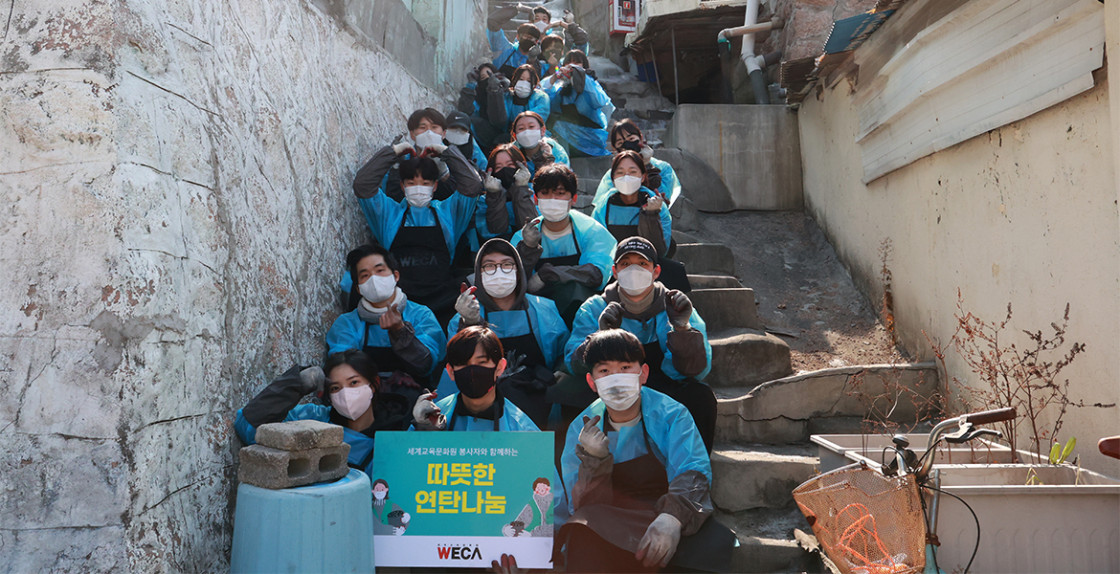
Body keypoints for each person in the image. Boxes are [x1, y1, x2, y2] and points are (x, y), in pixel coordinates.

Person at [556, 329, 733, 573]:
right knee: (581, 530)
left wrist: (672, 518)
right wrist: (594, 460)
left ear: (644, 374)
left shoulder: (672, 414)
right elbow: (583, 504)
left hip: (665, 512)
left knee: (708, 547)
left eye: (625, 367)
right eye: (605, 371)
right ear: (592, 382)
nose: (616, 379)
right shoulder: (582, 427)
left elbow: (693, 471)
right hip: (613, 520)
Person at [564, 237, 716, 452]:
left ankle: (692, 466)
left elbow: (697, 370)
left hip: (663, 386)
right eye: (626, 264)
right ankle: (591, 462)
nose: (633, 270)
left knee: (700, 396)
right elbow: (573, 363)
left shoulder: (676, 306)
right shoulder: (594, 307)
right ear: (615, 271)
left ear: (656, 271)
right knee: (568, 395)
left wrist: (682, 329)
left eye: (642, 263)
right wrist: (599, 336)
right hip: (611, 386)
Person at [351, 129, 483, 327]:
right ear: (402, 187)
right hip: (401, 302)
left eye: (425, 183)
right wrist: (392, 153)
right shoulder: (388, 214)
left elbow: (473, 185)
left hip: (444, 299)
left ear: (435, 186)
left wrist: (447, 152)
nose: (418, 188)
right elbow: (363, 185)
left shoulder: (449, 212)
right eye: (411, 183)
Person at [443, 238, 570, 428]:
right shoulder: (463, 317)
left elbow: (563, 351)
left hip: (538, 397)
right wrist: (469, 324)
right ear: (478, 274)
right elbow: (459, 365)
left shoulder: (543, 309)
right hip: (484, 404)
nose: (499, 272)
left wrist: (559, 373)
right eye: (489, 266)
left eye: (506, 265)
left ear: (518, 271)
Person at [234, 350, 413, 476]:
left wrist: (424, 427)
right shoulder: (313, 419)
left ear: (374, 384)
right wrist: (295, 384)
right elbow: (248, 426)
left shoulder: (397, 433)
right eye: (335, 388)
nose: (346, 394)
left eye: (353, 383)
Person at [328, 245, 446, 392]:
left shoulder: (421, 315)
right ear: (358, 288)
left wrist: (400, 332)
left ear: (395, 276)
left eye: (380, 270)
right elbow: (341, 368)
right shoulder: (347, 323)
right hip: (366, 397)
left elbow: (427, 366)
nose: (373, 279)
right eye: (365, 275)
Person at [510, 163, 616, 326]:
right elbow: (513, 281)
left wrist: (550, 274)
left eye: (560, 193)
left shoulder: (591, 231)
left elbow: (596, 274)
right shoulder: (523, 236)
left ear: (573, 198)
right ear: (536, 199)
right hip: (539, 312)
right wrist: (527, 249)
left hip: (581, 311)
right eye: (545, 193)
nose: (552, 199)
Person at [592, 150, 690, 292]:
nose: (626, 177)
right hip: (617, 265)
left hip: (647, 263)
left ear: (643, 176)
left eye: (632, 172)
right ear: (612, 178)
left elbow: (661, 250)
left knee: (675, 272)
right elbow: (598, 245)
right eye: (620, 173)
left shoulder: (655, 203)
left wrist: (651, 215)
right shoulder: (604, 206)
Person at [411, 326, 539, 432]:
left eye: (481, 362)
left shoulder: (522, 429)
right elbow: (410, 452)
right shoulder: (432, 419)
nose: (472, 371)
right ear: (451, 371)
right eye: (463, 364)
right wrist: (423, 429)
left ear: (500, 367)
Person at [593, 119, 682, 208]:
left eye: (631, 139)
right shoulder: (612, 175)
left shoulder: (663, 168)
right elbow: (603, 206)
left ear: (641, 138)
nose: (627, 144)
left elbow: (664, 201)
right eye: (620, 143)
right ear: (615, 149)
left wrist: (647, 166)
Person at [543, 50, 613, 157]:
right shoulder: (562, 86)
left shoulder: (590, 82)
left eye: (576, 62)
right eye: (568, 62)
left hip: (590, 137)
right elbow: (547, 103)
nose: (572, 65)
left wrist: (582, 77)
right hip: (567, 136)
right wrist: (555, 76)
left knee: (559, 126)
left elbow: (600, 102)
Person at [487, 8, 543, 78]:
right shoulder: (504, 49)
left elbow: (542, 81)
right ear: (518, 37)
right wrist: (517, 8)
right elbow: (492, 21)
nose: (527, 39)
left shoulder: (537, 64)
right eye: (525, 36)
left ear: (536, 42)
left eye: (531, 38)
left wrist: (532, 60)